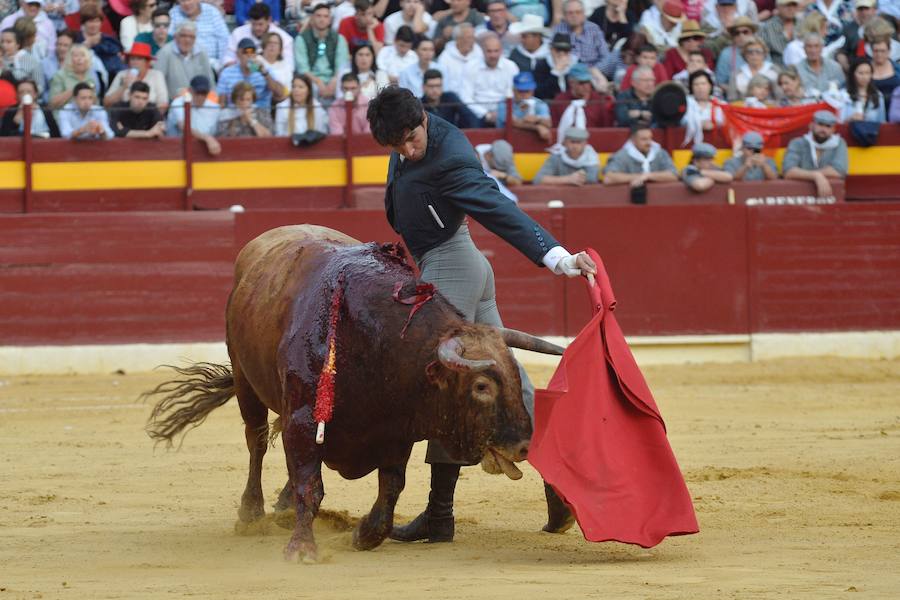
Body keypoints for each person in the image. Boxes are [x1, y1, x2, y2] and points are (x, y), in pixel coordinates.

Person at [365, 85, 597, 544]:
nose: (408, 151)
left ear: (424, 119)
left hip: (453, 267)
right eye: (398, 146)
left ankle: (439, 514)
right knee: (508, 379)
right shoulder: (406, 132)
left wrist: (557, 256)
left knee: (446, 384)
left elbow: (497, 209)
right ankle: (560, 482)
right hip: (454, 265)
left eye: (412, 139)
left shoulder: (453, 156)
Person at [783, 110, 847, 197]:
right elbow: (789, 172)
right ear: (811, 125)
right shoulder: (797, 143)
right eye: (820, 124)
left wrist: (807, 174)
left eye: (828, 126)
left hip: (831, 195)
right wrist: (816, 176)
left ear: (833, 129)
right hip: (799, 195)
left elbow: (839, 171)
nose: (823, 129)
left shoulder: (839, 143)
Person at [460, 33, 518, 127]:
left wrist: (501, 113)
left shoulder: (511, 67)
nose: (493, 55)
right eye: (489, 51)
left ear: (501, 51)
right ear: (482, 51)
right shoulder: (470, 66)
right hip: (478, 114)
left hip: (504, 112)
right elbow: (466, 97)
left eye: (496, 51)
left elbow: (513, 95)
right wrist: (485, 114)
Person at [295, 3, 350, 102]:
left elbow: (341, 65)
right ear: (312, 18)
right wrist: (318, 81)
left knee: (344, 84)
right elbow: (303, 68)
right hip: (311, 79)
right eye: (318, 16)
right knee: (309, 87)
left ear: (330, 20)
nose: (322, 19)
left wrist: (334, 81)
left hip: (334, 79)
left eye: (325, 16)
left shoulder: (339, 39)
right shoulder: (301, 39)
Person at [553, 0, 616, 81]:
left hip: (594, 73)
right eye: (570, 13)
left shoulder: (594, 29)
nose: (574, 16)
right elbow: (554, 57)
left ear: (584, 14)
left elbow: (606, 57)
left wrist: (593, 70)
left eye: (578, 12)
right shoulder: (558, 30)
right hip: (569, 75)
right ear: (564, 15)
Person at [224, 3, 293, 72]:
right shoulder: (237, 33)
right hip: (242, 75)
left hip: (273, 77)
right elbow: (228, 58)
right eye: (254, 24)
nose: (257, 28)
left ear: (269, 20)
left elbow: (289, 65)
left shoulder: (284, 38)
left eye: (260, 24)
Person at [603, 123, 678, 186]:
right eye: (644, 139)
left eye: (650, 138)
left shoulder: (660, 153)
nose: (649, 142)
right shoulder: (622, 155)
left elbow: (673, 175)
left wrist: (648, 176)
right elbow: (608, 178)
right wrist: (637, 177)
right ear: (633, 140)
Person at [155, 21, 214, 101]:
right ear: (175, 37)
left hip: (199, 104)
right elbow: (158, 84)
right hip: (173, 104)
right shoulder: (164, 53)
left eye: (191, 37)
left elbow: (210, 82)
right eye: (183, 36)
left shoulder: (202, 53)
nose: (187, 40)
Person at [103, 41, 169, 112]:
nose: (135, 62)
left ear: (147, 62)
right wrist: (123, 87)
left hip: (150, 118)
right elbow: (107, 104)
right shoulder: (122, 75)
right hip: (124, 117)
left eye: (139, 59)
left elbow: (163, 105)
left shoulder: (157, 75)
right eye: (132, 59)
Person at [165, 74, 220, 155]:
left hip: (206, 151)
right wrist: (207, 138)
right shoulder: (178, 103)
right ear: (190, 90)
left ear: (208, 92)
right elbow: (183, 126)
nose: (200, 96)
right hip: (176, 152)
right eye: (197, 93)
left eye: (204, 93)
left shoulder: (214, 108)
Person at [217, 38, 279, 108]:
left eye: (252, 51)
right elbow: (221, 103)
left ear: (255, 54)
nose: (249, 55)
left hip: (260, 113)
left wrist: (264, 73)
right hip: (234, 113)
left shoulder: (264, 70)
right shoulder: (227, 73)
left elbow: (279, 94)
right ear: (238, 54)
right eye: (245, 52)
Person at [168, 0, 229, 71]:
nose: (187, 3)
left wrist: (222, 66)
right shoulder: (173, 13)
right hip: (182, 62)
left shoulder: (212, 12)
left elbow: (224, 40)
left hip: (210, 62)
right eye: (183, 1)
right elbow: (169, 40)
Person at [550, 62, 614, 128]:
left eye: (588, 82)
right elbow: (555, 126)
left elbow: (606, 127)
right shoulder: (560, 101)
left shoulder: (599, 100)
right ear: (571, 82)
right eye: (581, 83)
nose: (586, 86)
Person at [533, 126, 599, 185]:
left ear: (585, 144)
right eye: (572, 142)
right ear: (564, 142)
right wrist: (567, 179)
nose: (575, 146)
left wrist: (578, 178)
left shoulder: (591, 158)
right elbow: (538, 180)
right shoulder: (556, 157)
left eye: (579, 142)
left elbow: (592, 179)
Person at [497, 72, 552, 142]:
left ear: (532, 91)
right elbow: (513, 122)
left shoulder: (539, 104)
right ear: (513, 90)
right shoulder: (505, 104)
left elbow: (549, 123)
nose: (524, 94)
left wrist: (538, 119)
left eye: (527, 91)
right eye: (520, 91)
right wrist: (537, 127)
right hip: (508, 142)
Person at [48, 44, 102, 111]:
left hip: (88, 116)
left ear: (87, 59)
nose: (80, 59)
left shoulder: (91, 76)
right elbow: (52, 104)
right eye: (76, 56)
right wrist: (76, 89)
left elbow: (95, 103)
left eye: (83, 55)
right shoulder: (60, 76)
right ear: (70, 59)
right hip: (65, 116)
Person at [76, 5, 124, 80]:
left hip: (110, 76)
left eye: (97, 21)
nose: (94, 25)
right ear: (83, 23)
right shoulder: (76, 38)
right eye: (90, 21)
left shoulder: (109, 40)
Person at [436, 22, 483, 95]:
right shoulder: (445, 58)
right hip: (454, 99)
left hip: (477, 97)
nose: (472, 41)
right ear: (458, 39)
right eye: (468, 37)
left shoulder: (480, 54)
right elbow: (444, 84)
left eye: (473, 37)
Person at [728, 37, 780, 101]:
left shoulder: (774, 70)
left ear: (764, 54)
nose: (754, 55)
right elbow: (732, 99)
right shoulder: (736, 74)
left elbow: (780, 97)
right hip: (744, 108)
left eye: (758, 51)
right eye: (750, 52)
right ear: (745, 55)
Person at [713, 15, 757, 87]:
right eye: (737, 33)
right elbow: (720, 82)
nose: (741, 35)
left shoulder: (761, 50)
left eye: (745, 32)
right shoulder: (726, 54)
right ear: (733, 37)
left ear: (752, 33)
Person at [507, 14, 550, 82]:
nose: (522, 40)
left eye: (524, 36)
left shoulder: (550, 54)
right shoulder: (515, 54)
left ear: (537, 37)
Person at [759, 0, 800, 69]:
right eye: (787, 5)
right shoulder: (767, 27)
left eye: (794, 5)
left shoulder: (803, 25)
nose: (791, 9)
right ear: (778, 7)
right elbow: (763, 55)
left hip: (801, 70)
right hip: (777, 70)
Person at [538, 31, 575, 100]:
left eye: (565, 50)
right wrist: (555, 72)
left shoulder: (576, 65)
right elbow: (540, 93)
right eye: (558, 50)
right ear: (551, 50)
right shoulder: (542, 65)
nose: (561, 53)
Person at [871, 38, 900, 114]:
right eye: (876, 51)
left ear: (889, 51)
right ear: (871, 51)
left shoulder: (898, 69)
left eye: (882, 51)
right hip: (872, 111)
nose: (879, 54)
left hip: (895, 112)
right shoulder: (864, 67)